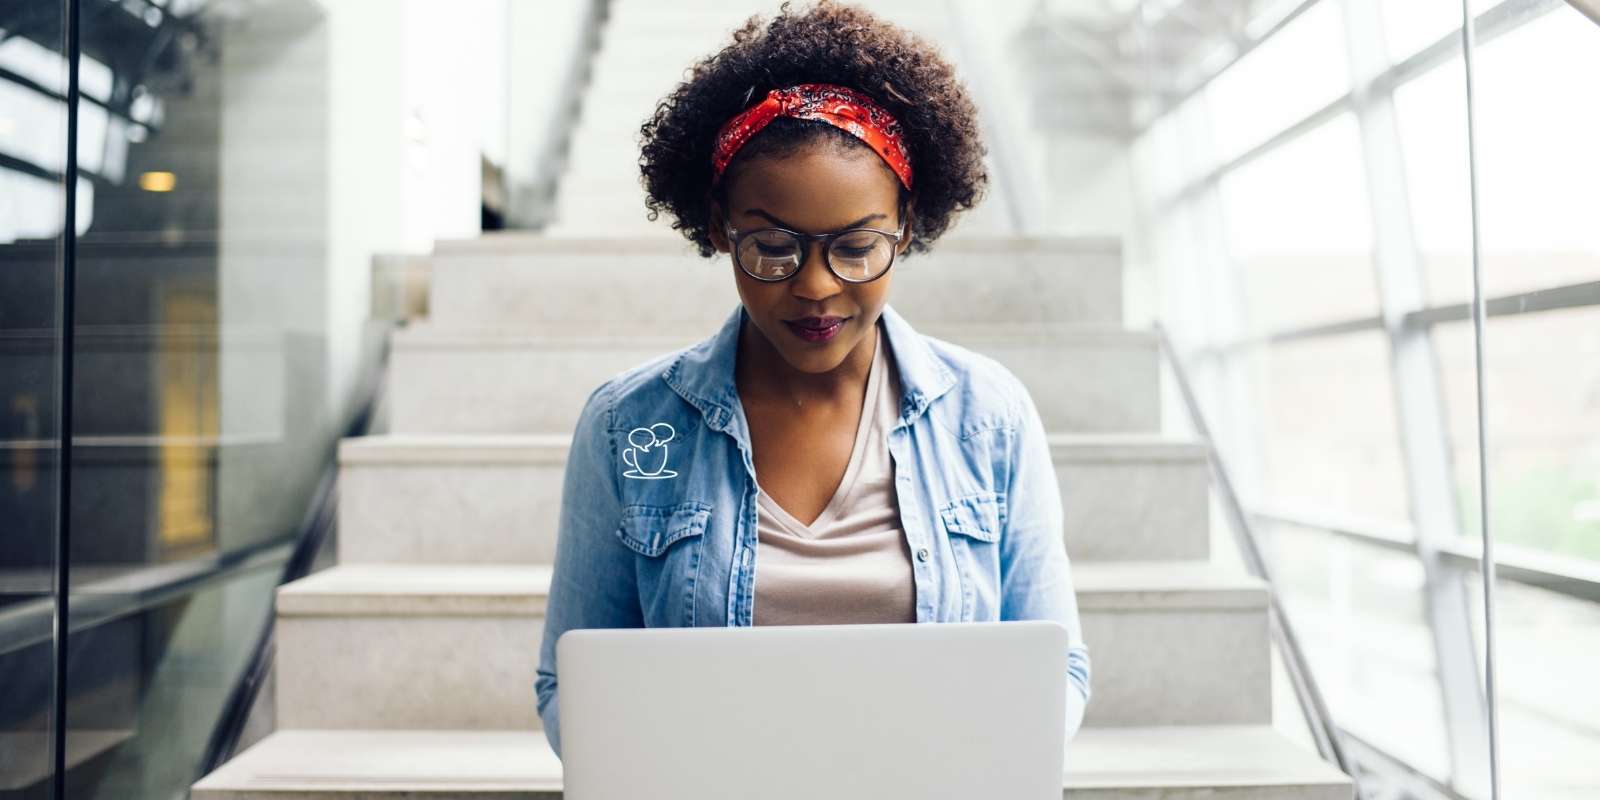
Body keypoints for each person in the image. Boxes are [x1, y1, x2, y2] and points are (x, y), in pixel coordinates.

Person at [535, 0, 1090, 760]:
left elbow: (1058, 670)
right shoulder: (629, 426)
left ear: (906, 225)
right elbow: (570, 685)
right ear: (720, 227)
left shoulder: (988, 416)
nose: (817, 287)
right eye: (772, 246)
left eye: (858, 247)